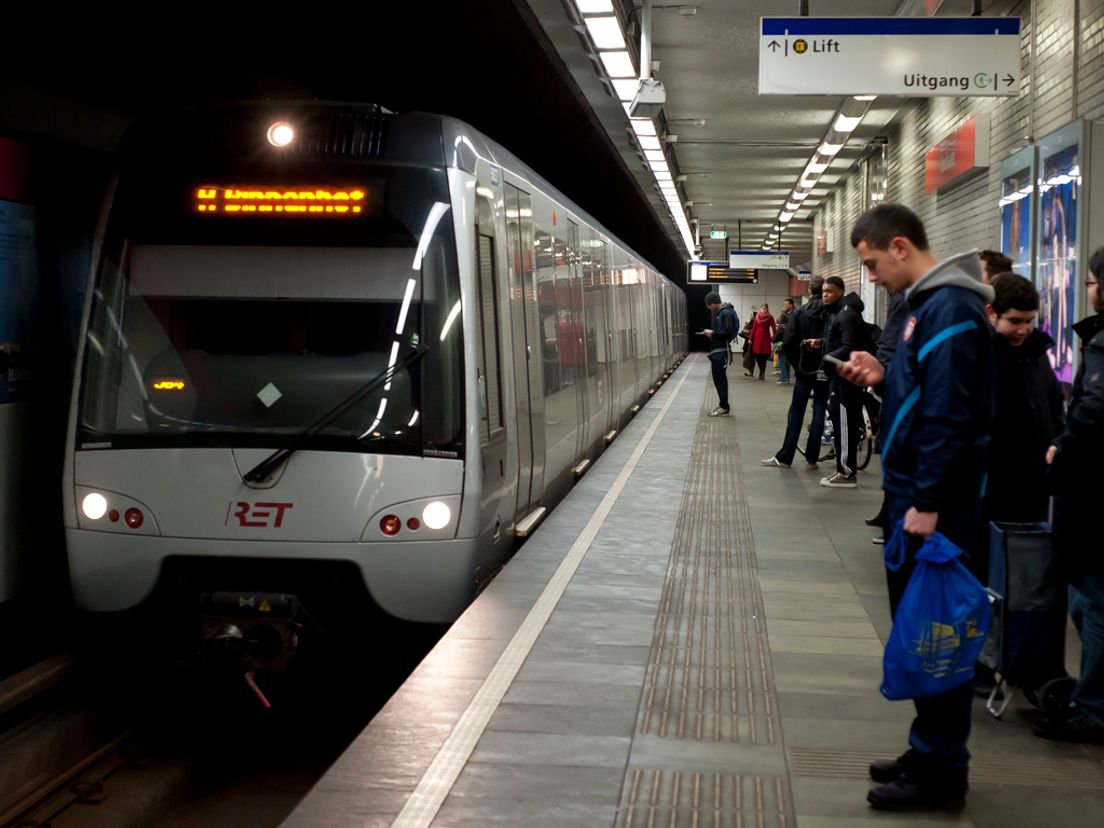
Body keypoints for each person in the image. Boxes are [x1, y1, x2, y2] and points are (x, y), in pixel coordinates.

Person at [839, 204, 995, 812]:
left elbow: (949, 417)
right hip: (916, 496)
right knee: (921, 630)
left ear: (899, 247)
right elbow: (924, 390)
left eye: (872, 263)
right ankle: (927, 749)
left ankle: (941, 773)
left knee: (937, 634)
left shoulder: (949, 310)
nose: (871, 276)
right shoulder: (926, 310)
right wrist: (883, 375)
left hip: (938, 506)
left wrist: (927, 503)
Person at [1034, 249, 1104, 743]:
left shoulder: (1101, 344)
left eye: (1093, 280)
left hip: (1095, 491)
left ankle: (1094, 707)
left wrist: (1062, 445)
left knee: (1091, 598)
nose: (1088, 288)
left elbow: (1094, 407)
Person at [984, 272, 1064, 525]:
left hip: (1035, 490)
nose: (1024, 330)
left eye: (1030, 321)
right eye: (1015, 321)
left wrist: (1058, 443)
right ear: (991, 313)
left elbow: (1054, 407)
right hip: (992, 494)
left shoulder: (1037, 354)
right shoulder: (979, 358)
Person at [761, 278, 830, 469]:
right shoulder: (831, 312)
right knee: (819, 410)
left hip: (804, 370)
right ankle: (812, 457)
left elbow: (788, 342)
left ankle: (785, 457)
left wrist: (797, 367)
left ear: (809, 291)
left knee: (796, 412)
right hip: (825, 369)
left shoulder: (799, 312)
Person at [820, 277, 869, 488]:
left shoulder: (846, 315)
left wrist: (827, 358)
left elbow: (848, 347)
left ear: (840, 291)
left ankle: (847, 472)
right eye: (823, 291)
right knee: (841, 426)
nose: (825, 295)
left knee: (844, 426)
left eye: (829, 291)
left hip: (845, 380)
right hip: (842, 377)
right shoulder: (840, 313)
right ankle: (842, 468)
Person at [701, 291, 738, 416]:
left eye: (709, 305)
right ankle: (723, 405)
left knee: (720, 380)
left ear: (712, 303)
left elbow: (727, 333)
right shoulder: (724, 312)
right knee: (719, 380)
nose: (708, 308)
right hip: (719, 352)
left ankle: (724, 406)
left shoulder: (726, 313)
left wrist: (712, 333)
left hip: (721, 352)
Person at [749, 303, 777, 380]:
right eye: (762, 308)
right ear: (760, 309)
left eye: (765, 308)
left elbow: (774, 327)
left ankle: (762, 373)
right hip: (757, 339)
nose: (763, 310)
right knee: (757, 356)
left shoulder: (770, 317)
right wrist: (750, 338)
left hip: (765, 338)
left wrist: (775, 337)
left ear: (767, 309)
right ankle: (761, 371)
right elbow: (754, 328)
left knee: (764, 357)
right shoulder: (757, 317)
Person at [775, 297, 795, 384]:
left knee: (784, 361)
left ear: (791, 304)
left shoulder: (795, 314)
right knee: (786, 361)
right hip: (787, 341)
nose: (785, 306)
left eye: (787, 304)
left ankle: (784, 378)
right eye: (785, 304)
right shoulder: (785, 313)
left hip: (789, 341)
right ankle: (785, 377)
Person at [739, 306, 757, 376]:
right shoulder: (750, 323)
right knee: (746, 356)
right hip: (746, 342)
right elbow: (744, 331)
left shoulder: (754, 324)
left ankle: (750, 371)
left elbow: (750, 332)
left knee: (749, 357)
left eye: (751, 315)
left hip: (751, 343)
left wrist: (746, 330)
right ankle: (749, 371)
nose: (750, 316)